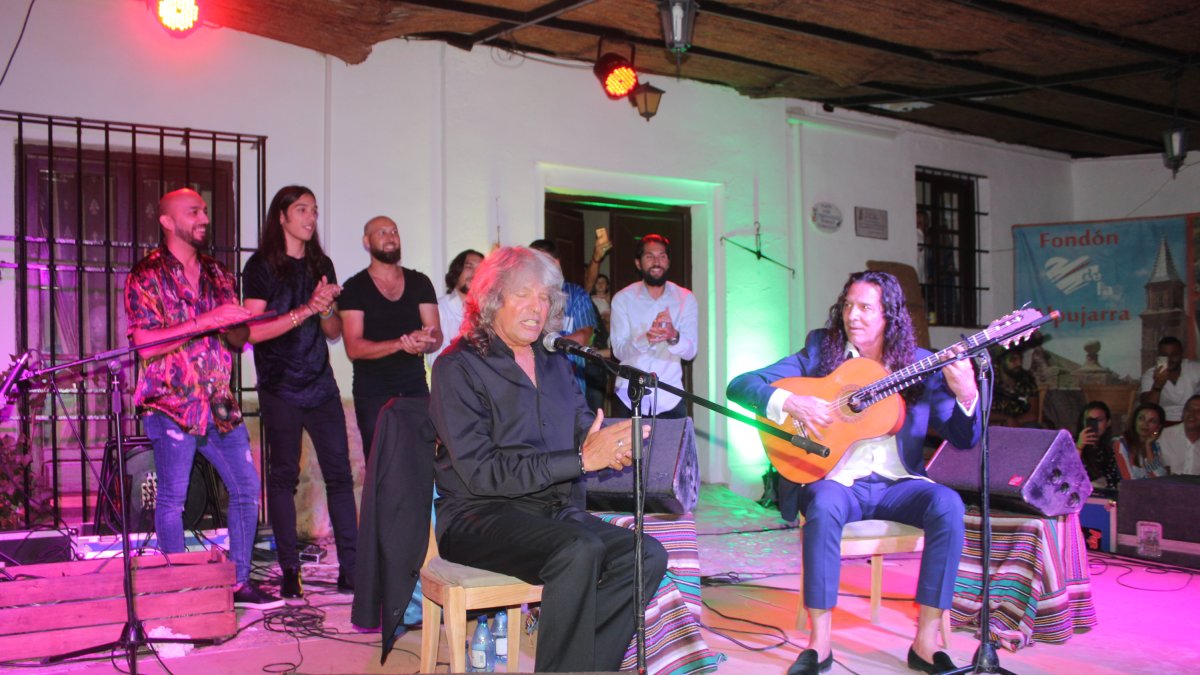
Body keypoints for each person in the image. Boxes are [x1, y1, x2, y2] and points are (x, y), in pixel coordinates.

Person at [727, 270, 980, 675]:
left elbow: (963, 436)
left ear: (889, 316)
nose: (853, 316)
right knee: (823, 505)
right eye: (848, 305)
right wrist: (791, 401)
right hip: (838, 483)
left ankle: (926, 643)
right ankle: (820, 644)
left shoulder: (919, 364)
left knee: (948, 505)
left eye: (865, 307)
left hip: (898, 483)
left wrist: (967, 393)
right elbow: (740, 385)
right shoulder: (820, 351)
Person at [429, 246, 667, 673]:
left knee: (645, 554)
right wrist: (581, 460)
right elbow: (482, 473)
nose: (536, 308)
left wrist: (611, 445)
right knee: (578, 550)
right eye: (523, 295)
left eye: (544, 299)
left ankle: (584, 666)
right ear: (493, 298)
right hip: (477, 516)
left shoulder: (554, 361)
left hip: (551, 512)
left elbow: (581, 424)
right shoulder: (457, 367)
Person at [124, 188, 282, 610]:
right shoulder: (146, 275)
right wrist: (207, 320)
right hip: (170, 403)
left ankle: (238, 581)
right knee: (173, 499)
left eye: (206, 210)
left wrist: (238, 324)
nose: (204, 217)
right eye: (193, 211)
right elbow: (146, 346)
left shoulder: (218, 273)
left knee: (247, 489)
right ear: (167, 221)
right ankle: (181, 590)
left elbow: (234, 340)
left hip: (217, 403)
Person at [242, 186, 358, 599]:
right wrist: (307, 308)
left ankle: (352, 569)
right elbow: (250, 332)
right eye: (302, 210)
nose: (311, 218)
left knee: (340, 477)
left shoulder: (320, 262)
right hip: (279, 386)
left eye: (315, 210)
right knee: (282, 478)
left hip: (321, 385)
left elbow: (332, 333)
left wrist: (326, 307)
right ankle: (290, 570)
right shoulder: (259, 267)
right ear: (282, 217)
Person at [338, 216, 441, 458]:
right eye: (381, 233)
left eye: (393, 231)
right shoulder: (354, 287)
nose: (390, 237)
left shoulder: (420, 282)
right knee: (380, 466)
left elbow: (435, 333)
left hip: (415, 388)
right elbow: (353, 348)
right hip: (374, 393)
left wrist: (426, 340)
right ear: (367, 241)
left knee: (421, 463)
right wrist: (399, 344)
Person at [610, 234, 698, 419]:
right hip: (629, 396)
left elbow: (690, 352)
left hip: (670, 397)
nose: (656, 262)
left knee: (673, 449)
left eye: (662, 256)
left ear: (668, 261)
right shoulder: (622, 299)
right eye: (650, 256)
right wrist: (647, 339)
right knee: (627, 449)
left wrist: (673, 335)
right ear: (638, 263)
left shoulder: (685, 299)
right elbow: (618, 351)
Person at [529, 239, 597, 396]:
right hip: (534, 386)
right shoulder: (526, 298)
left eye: (544, 263)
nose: (540, 270)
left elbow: (585, 335)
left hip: (571, 387)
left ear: (556, 263)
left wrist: (544, 347)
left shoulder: (576, 294)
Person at [427, 248, 483, 367]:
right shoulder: (439, 309)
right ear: (456, 272)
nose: (475, 274)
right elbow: (435, 360)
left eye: (481, 269)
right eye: (469, 266)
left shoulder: (490, 312)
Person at [1139, 336, 1200, 423]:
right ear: (1158, 356)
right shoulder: (1150, 375)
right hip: (1163, 421)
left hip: (1193, 421)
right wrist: (1157, 385)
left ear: (1181, 354)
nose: (1170, 359)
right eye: (1164, 356)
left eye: (1174, 355)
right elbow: (1147, 408)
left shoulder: (1195, 369)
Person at [1114, 403, 1169, 481]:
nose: (1145, 424)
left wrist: (1148, 447)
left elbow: (1160, 478)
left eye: (1152, 421)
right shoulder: (1121, 444)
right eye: (1141, 418)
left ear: (1158, 427)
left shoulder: (1155, 446)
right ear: (1135, 420)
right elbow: (1128, 481)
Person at [1075, 401, 1119, 489]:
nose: (1094, 425)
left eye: (1099, 420)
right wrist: (1079, 447)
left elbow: (1114, 479)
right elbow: (1068, 473)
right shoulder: (1070, 443)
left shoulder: (1110, 448)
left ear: (1108, 423)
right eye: (1090, 420)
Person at [991, 349, 1039, 426]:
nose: (1019, 363)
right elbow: (982, 414)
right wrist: (1006, 419)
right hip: (995, 427)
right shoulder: (988, 382)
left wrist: (1013, 422)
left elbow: (1033, 415)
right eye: (1013, 359)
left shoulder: (1026, 379)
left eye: (1020, 358)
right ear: (1001, 361)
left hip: (1021, 425)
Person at [1159, 395, 1200, 475]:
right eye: (1189, 409)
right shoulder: (1165, 435)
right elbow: (1152, 468)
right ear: (1182, 413)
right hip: (1168, 485)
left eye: (1198, 411)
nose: (1192, 414)